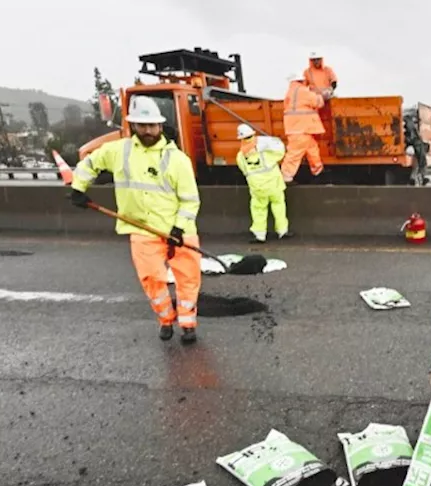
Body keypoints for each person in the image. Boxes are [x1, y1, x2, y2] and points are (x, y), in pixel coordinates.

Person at [69, 96, 203, 344]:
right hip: (143, 231)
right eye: (143, 125)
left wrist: (179, 228)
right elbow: (90, 163)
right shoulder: (118, 151)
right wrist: (78, 187)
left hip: (180, 231)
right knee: (152, 279)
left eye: (152, 125)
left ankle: (188, 323)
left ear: (160, 127)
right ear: (133, 126)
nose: (148, 130)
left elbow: (190, 200)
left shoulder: (177, 160)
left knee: (188, 278)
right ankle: (165, 320)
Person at [236, 123, 292, 243]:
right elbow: (281, 151)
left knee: (258, 209)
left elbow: (244, 170)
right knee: (279, 206)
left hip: (258, 188)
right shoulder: (266, 152)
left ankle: (260, 235)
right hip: (274, 185)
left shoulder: (240, 156)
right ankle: (282, 231)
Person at [282, 74, 326, 184]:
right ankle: (286, 178)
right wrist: (323, 95)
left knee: (312, 148)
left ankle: (317, 170)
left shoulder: (290, 92)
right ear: (301, 80)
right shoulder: (302, 91)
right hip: (301, 129)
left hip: (298, 129)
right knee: (294, 154)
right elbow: (317, 102)